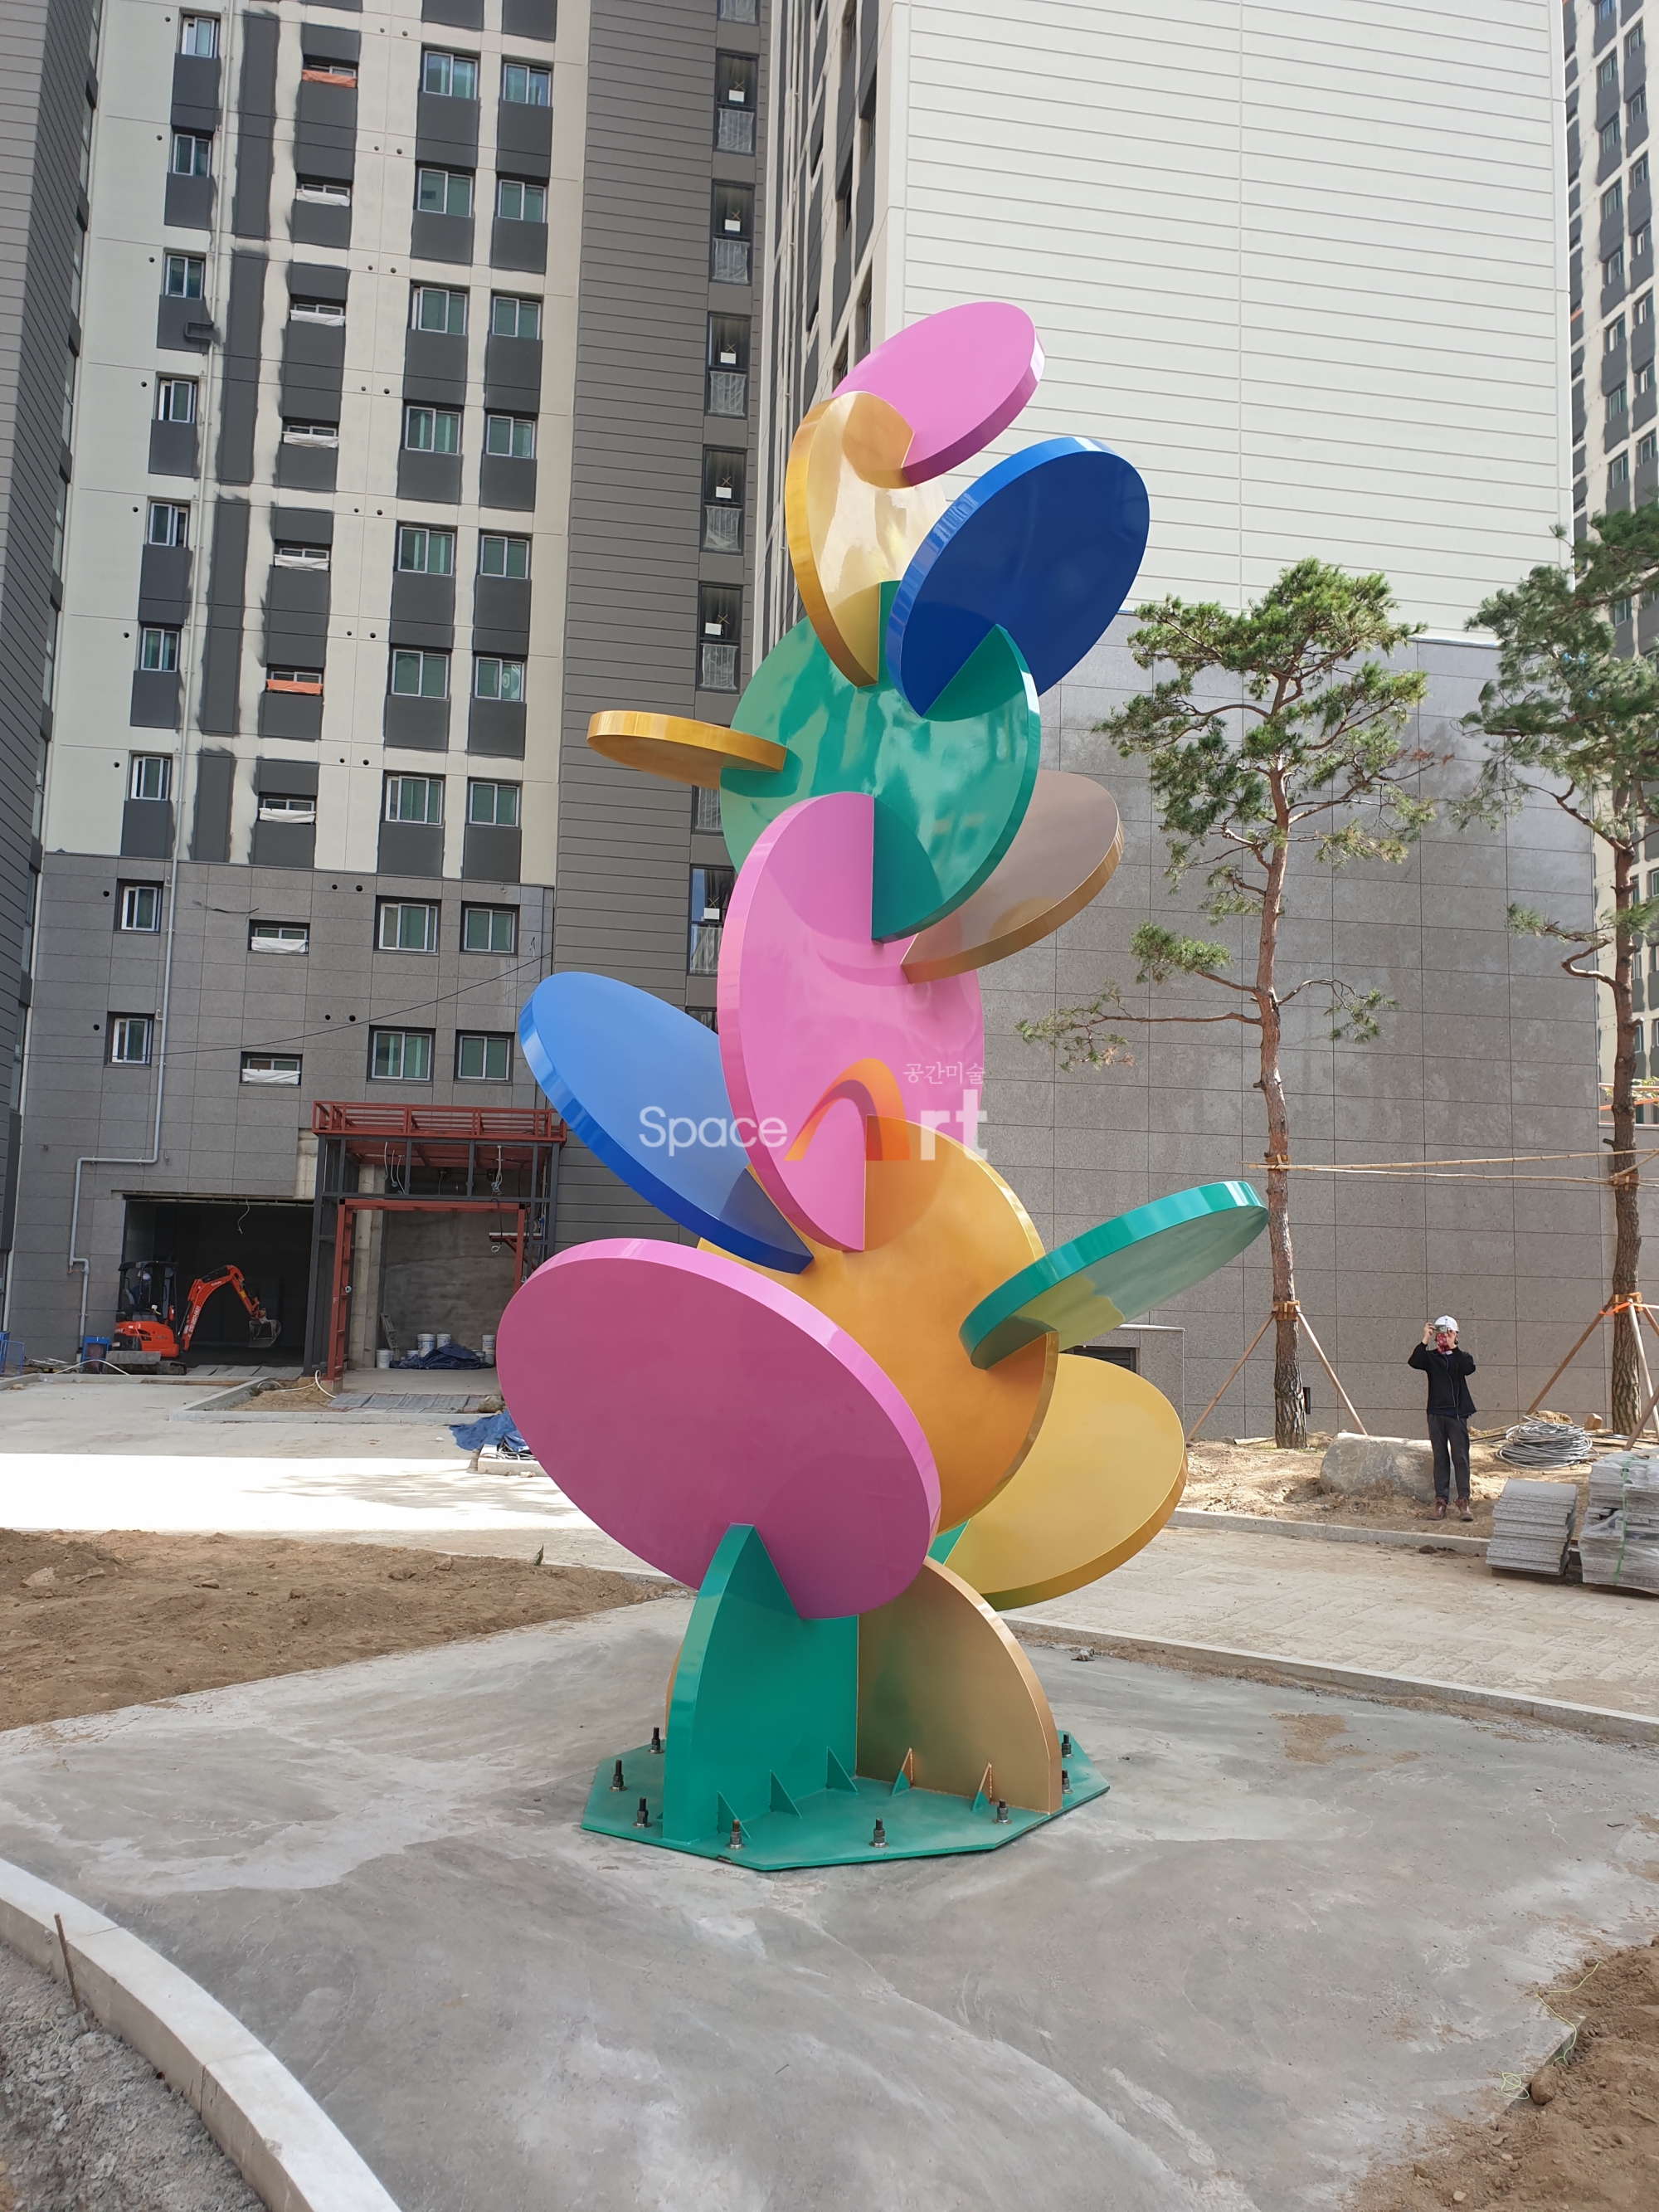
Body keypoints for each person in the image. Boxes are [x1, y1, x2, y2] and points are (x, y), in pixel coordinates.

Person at [1408, 1316, 1477, 1521]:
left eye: (1449, 1333)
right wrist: (1425, 1339)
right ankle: (1441, 1501)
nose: (1444, 1337)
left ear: (1456, 1335)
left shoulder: (1461, 1357)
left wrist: (1453, 1346)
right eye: (1441, 1334)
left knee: (1460, 1457)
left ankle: (1463, 1501)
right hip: (1436, 1413)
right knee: (1440, 1457)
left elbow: (1468, 1368)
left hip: (1457, 1414)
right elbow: (1414, 1361)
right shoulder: (1431, 1358)